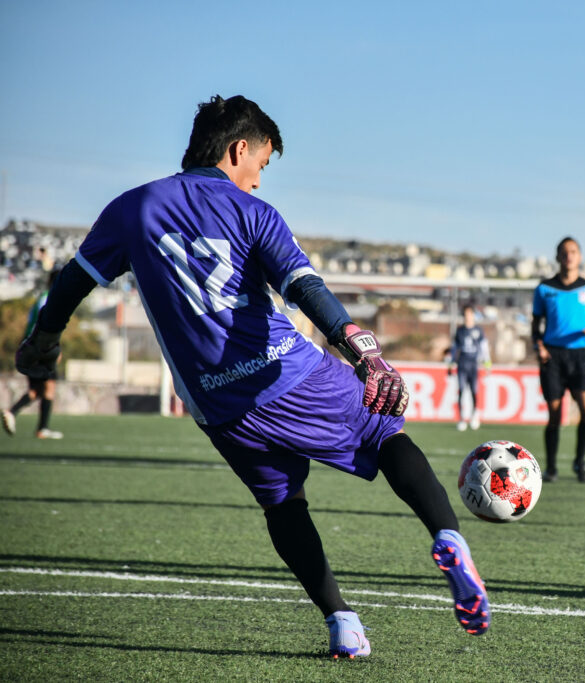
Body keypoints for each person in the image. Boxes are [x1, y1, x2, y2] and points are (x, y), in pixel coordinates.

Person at [14, 95, 490, 657]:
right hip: (286, 372)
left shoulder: (131, 209)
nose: (259, 181)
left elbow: (72, 282)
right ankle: (448, 536)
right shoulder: (252, 212)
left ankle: (343, 624)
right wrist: (361, 349)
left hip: (218, 406)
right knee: (385, 430)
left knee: (283, 504)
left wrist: (43, 340)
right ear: (239, 149)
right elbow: (305, 288)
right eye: (260, 165)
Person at [531, 236, 585, 483]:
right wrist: (538, 346)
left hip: (579, 356)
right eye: (564, 252)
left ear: (580, 256)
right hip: (552, 356)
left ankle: (579, 462)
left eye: (573, 251)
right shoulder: (544, 288)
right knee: (555, 414)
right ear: (557, 257)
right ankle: (551, 468)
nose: (569, 256)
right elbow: (536, 324)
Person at [3, 267, 65, 439]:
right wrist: (53, 349)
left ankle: (13, 413)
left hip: (34, 347)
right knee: (48, 387)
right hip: (40, 349)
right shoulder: (49, 300)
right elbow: (46, 327)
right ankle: (41, 428)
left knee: (39, 389)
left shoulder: (44, 298)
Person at [448, 303, 491, 431]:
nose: (468, 317)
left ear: (473, 315)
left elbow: (484, 348)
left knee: (474, 391)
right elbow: (455, 348)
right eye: (466, 314)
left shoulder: (479, 330)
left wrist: (487, 363)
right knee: (461, 390)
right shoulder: (460, 331)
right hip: (462, 364)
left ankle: (474, 416)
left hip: (474, 364)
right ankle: (461, 419)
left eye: (470, 314)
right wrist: (451, 363)